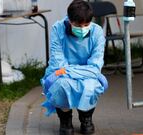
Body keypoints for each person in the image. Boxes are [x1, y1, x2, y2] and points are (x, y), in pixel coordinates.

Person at [40, 0, 108, 135]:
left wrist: (67, 70)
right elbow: (57, 63)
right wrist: (78, 71)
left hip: (74, 72)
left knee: (90, 85)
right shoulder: (57, 29)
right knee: (62, 85)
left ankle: (86, 118)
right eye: (78, 25)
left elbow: (95, 67)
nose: (83, 28)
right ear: (69, 20)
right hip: (64, 74)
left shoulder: (97, 32)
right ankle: (65, 120)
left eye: (86, 24)